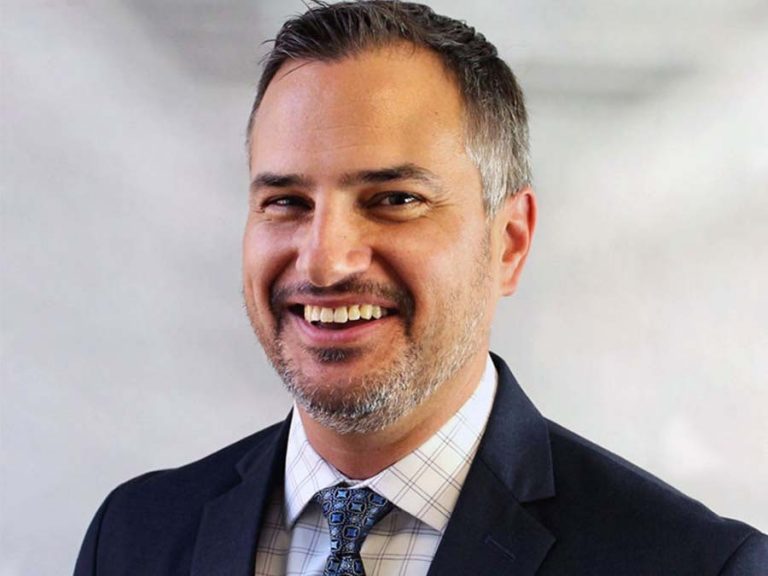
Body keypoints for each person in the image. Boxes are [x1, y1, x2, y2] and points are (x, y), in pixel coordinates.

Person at [74, 2, 767, 575]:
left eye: (394, 199)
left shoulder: (695, 564)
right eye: (286, 202)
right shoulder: (134, 537)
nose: (324, 261)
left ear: (509, 242)